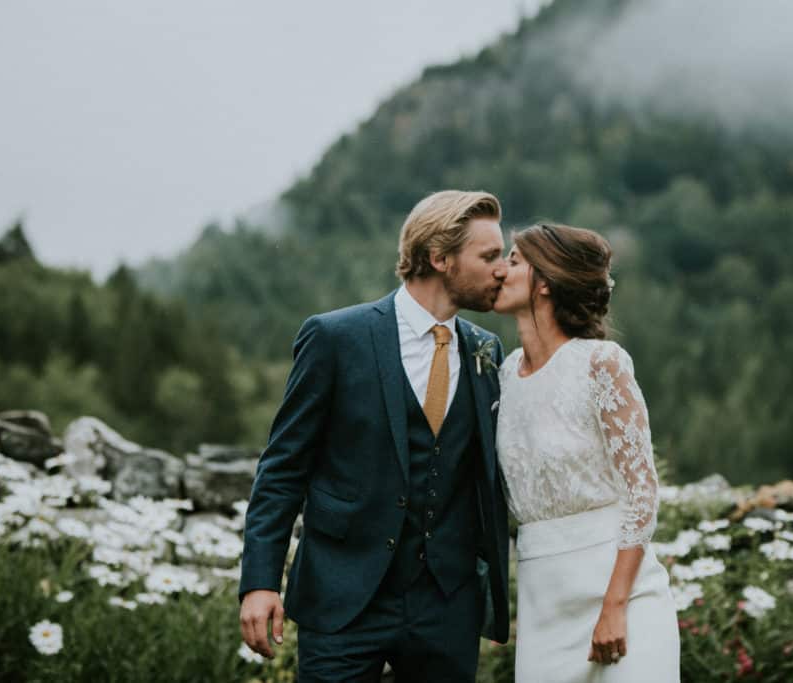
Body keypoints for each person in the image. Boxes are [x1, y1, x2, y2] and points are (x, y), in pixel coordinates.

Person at [238, 190, 512, 682]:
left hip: (446, 606)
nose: (503, 269)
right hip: (344, 594)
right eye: (489, 256)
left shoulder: (486, 350)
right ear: (440, 258)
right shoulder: (335, 338)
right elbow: (282, 469)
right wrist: (260, 583)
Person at [493, 222, 680, 682]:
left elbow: (642, 492)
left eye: (513, 261)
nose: (499, 270)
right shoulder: (501, 375)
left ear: (544, 282)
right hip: (544, 607)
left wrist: (614, 606)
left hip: (624, 599)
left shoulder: (601, 363)